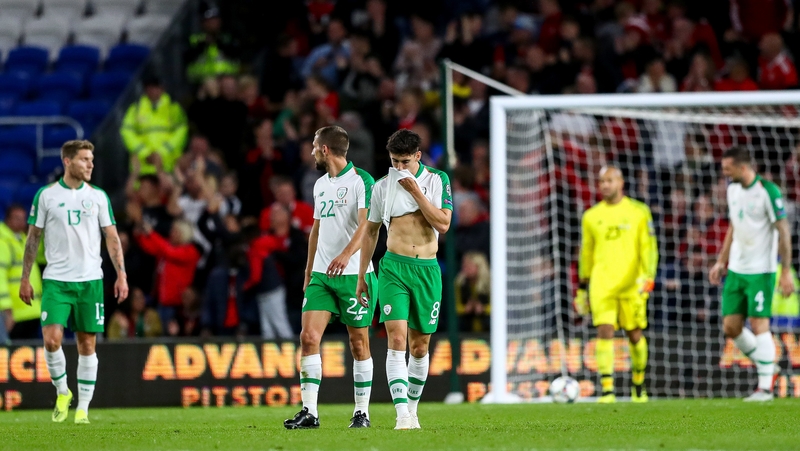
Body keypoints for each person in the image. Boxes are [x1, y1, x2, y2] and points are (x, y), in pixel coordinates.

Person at [20, 140, 128, 424]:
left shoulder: (98, 197)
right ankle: (62, 391)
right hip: (56, 280)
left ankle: (83, 409)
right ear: (67, 162)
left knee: (87, 345)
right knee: (52, 340)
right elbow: (33, 238)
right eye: (84, 159)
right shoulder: (46, 196)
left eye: (91, 159)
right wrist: (25, 278)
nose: (90, 164)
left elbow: (112, 238)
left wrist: (121, 275)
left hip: (90, 281)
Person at [356, 129, 453, 429]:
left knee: (420, 346)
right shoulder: (383, 186)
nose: (399, 168)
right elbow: (371, 231)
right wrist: (362, 274)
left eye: (405, 161)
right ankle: (401, 415)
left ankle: (412, 409)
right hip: (393, 268)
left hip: (426, 269)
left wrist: (415, 191)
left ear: (418, 157)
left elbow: (444, 223)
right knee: (396, 339)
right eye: (394, 161)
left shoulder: (438, 180)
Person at [284, 125, 377, 430]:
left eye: (313, 145)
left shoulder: (362, 180)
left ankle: (361, 412)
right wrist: (310, 269)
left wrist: (347, 254)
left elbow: (367, 226)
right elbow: (316, 229)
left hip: (354, 275)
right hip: (323, 275)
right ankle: (310, 411)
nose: (311, 151)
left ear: (324, 149)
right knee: (308, 337)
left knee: (358, 342)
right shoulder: (320, 184)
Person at [709, 146, 794, 401]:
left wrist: (786, 272)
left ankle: (765, 388)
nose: (724, 173)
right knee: (731, 327)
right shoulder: (732, 189)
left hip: (761, 270)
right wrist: (721, 261)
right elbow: (735, 225)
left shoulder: (768, 191)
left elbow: (784, 232)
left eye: (727, 169)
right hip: (737, 269)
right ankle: (769, 366)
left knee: (759, 324)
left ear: (743, 167)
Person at [574, 166, 657, 403]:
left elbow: (648, 248)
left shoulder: (639, 212)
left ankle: (638, 383)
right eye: (601, 181)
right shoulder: (591, 216)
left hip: (632, 284)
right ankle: (607, 390)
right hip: (602, 284)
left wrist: (648, 275)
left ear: (621, 182)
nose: (604, 185)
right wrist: (582, 287)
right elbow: (586, 253)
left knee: (634, 334)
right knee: (604, 331)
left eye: (609, 180)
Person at [120, 76, 189, 175]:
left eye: (155, 87)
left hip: (169, 164)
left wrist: (163, 151)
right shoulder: (135, 109)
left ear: (162, 88)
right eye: (149, 87)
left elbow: (181, 132)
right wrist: (144, 152)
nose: (152, 90)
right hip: (143, 167)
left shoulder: (173, 108)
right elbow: (127, 132)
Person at [1, 204, 44, 341]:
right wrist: (6, 308)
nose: (21, 222)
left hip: (31, 309)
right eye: (17, 218)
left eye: (23, 218)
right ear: (7, 219)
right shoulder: (3, 242)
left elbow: (43, 257)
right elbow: (0, 277)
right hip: (15, 312)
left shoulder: (22, 239)